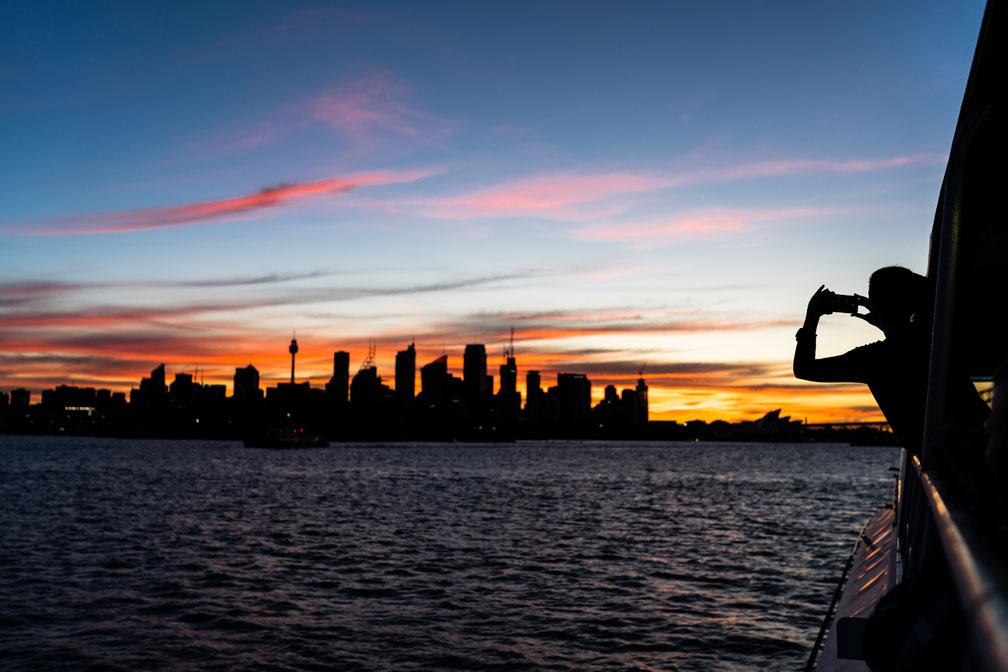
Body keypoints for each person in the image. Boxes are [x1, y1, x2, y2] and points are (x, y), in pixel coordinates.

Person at [793, 266, 988, 455]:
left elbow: (804, 369)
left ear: (880, 306)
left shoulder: (875, 359)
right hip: (988, 442)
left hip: (961, 461)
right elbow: (906, 340)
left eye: (872, 298)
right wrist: (884, 319)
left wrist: (813, 314)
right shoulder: (936, 339)